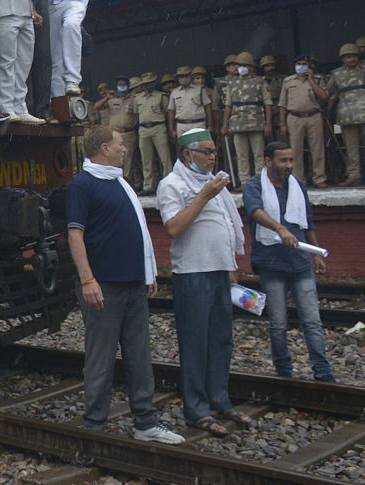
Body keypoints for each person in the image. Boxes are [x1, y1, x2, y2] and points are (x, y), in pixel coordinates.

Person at [65, 125, 183, 444]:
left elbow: (138, 232)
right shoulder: (83, 185)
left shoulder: (119, 183)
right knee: (100, 357)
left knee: (139, 354)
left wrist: (148, 274)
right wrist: (87, 278)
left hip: (132, 283)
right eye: (119, 144)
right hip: (102, 284)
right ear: (104, 148)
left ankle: (145, 421)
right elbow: (75, 234)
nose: (124, 148)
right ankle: (94, 425)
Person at [158, 128, 250, 437]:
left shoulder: (216, 184)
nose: (212, 157)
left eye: (214, 152)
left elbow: (224, 225)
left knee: (221, 339)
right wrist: (204, 196)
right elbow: (173, 227)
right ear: (187, 154)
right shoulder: (172, 184)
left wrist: (230, 266)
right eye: (206, 152)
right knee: (196, 343)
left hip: (219, 270)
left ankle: (218, 400)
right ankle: (196, 409)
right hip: (193, 273)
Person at [242, 142, 334, 382]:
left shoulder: (298, 185)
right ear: (268, 161)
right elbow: (254, 211)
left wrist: (315, 253)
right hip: (271, 264)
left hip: (300, 262)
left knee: (312, 321)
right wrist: (279, 228)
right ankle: (284, 373)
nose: (288, 166)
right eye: (283, 160)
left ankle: (323, 373)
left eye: (291, 160)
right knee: (278, 324)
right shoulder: (254, 185)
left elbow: (307, 222)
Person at [222, 52, 273, 182]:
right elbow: (228, 105)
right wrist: (225, 125)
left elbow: (268, 104)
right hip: (237, 123)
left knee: (259, 155)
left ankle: (260, 180)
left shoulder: (260, 81)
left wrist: (268, 124)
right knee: (241, 155)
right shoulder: (231, 83)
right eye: (239, 65)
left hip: (256, 122)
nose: (241, 68)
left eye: (244, 65)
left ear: (251, 67)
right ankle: (244, 181)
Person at [279, 54, 328, 188]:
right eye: (299, 63)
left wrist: (311, 79)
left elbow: (324, 96)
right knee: (295, 151)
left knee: (317, 149)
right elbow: (282, 104)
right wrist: (282, 123)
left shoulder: (317, 79)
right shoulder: (288, 81)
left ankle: (319, 178)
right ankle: (298, 180)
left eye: (304, 64)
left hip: (314, 116)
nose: (301, 66)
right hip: (294, 117)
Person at [327, 43, 365, 186]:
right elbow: (329, 94)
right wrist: (328, 112)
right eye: (348, 57)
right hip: (347, 115)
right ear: (343, 59)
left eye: (354, 56)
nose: (352, 59)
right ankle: (354, 175)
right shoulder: (336, 74)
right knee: (351, 148)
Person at [93, 76, 138, 182]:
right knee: (114, 158)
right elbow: (96, 107)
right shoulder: (112, 99)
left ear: (127, 86)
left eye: (123, 84)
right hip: (115, 134)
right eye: (119, 84)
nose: (121, 86)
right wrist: (107, 98)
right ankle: (116, 181)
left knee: (129, 161)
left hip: (129, 133)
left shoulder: (133, 99)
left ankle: (127, 182)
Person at [134, 72, 170, 194]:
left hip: (158, 127)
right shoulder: (138, 98)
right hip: (143, 129)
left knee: (165, 158)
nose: (148, 85)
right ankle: (148, 186)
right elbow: (136, 115)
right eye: (146, 84)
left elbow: (166, 112)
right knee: (146, 159)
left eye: (150, 83)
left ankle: (168, 184)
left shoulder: (161, 96)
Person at [169, 65, 213, 139]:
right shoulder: (174, 93)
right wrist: (172, 129)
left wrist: (210, 125)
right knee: (185, 149)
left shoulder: (200, 90)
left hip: (198, 124)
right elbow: (171, 111)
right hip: (182, 126)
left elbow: (207, 107)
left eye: (186, 76)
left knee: (201, 148)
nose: (183, 78)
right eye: (181, 76)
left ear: (190, 76)